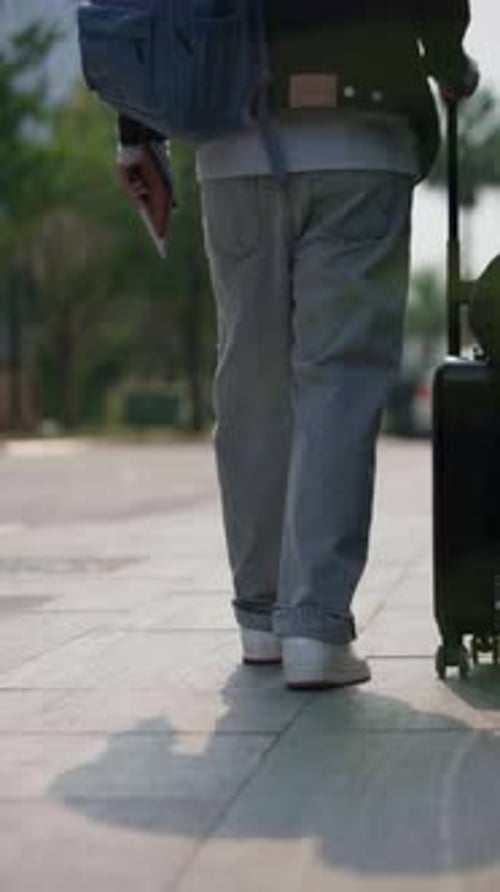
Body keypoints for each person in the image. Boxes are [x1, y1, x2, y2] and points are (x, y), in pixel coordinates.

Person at [117, 1, 478, 689]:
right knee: (337, 380)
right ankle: (314, 625)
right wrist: (448, 62)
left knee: (250, 381)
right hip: (362, 134)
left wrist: (134, 132)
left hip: (231, 137)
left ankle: (260, 618)